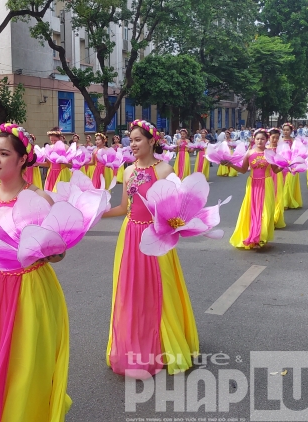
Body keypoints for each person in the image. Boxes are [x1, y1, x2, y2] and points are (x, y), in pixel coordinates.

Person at [0, 123, 71, 420]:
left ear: (23, 159)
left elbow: (59, 253)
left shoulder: (41, 199)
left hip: (31, 287)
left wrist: (43, 248)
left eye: (4, 154)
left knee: (26, 359)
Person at [102, 119, 198, 377]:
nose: (132, 144)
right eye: (130, 140)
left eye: (137, 139)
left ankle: (166, 345)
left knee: (161, 289)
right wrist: (95, 214)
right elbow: (124, 208)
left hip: (156, 235)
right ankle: (135, 345)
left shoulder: (165, 171)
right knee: (131, 290)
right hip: (130, 234)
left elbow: (176, 210)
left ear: (152, 141)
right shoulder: (128, 171)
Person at [225, 129, 282, 249]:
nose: (260, 141)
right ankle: (253, 235)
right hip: (252, 184)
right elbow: (243, 170)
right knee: (252, 210)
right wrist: (230, 165)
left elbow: (275, 170)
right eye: (257, 139)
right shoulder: (249, 153)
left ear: (266, 140)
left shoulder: (270, 153)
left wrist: (286, 165)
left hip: (266, 183)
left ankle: (261, 237)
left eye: (262, 139)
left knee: (266, 210)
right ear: (254, 140)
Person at [281, 123, 303, 209]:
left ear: (291, 131)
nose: (285, 131)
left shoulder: (295, 141)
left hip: (292, 164)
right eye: (284, 130)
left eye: (287, 130)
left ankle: (286, 202)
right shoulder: (279, 140)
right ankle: (283, 200)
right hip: (281, 164)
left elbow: (299, 152)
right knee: (282, 182)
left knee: (289, 182)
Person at [267, 128, 286, 229]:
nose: (275, 139)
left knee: (277, 195)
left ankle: (276, 216)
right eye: (273, 137)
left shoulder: (281, 150)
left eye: (277, 138)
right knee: (268, 196)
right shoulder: (264, 149)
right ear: (268, 137)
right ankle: (267, 218)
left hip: (277, 173)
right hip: (266, 174)